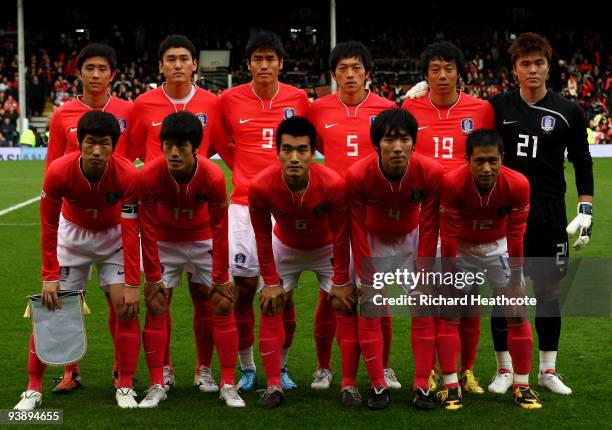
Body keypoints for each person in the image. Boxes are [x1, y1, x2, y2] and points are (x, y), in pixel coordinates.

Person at [488, 32, 593, 396]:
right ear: (514, 70)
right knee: (504, 293)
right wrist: (415, 95)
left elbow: (582, 160)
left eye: (538, 63)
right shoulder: (497, 107)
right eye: (525, 64)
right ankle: (504, 369)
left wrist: (586, 208)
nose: (532, 70)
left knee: (548, 292)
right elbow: (463, 119)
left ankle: (548, 370)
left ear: (548, 67)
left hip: (549, 213)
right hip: (505, 213)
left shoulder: (568, 111)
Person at [15, 111, 141, 410]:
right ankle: (33, 388)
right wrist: (50, 274)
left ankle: (124, 383)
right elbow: (48, 225)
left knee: (125, 306)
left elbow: (131, 228)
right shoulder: (59, 171)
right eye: (90, 143)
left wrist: (134, 283)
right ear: (79, 143)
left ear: (115, 145)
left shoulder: (128, 175)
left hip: (112, 238)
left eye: (105, 144)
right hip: (72, 238)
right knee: (54, 307)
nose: (97, 151)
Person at [215, 30, 309, 391]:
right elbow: (222, 142)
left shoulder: (299, 98)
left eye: (271, 59)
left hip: (286, 205)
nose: (264, 64)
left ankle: (281, 367)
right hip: (242, 206)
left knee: (283, 292)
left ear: (281, 63)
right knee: (243, 288)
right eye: (258, 59)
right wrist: (244, 172)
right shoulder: (230, 99)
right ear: (249, 64)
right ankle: (248, 368)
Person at [128, 34, 222, 391]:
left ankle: (203, 369)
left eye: (185, 58)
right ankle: (164, 369)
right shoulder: (143, 104)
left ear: (195, 64)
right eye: (171, 59)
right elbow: (138, 150)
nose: (178, 64)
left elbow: (216, 149)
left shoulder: (213, 103)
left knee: (205, 299)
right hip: (160, 225)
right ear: (161, 66)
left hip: (200, 223)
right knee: (159, 299)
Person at [402, 41, 495, 395]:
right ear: (425, 75)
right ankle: (427, 372)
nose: (442, 76)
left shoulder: (481, 109)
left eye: (449, 69)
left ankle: (465, 371)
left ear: (460, 72)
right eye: (435, 69)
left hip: (466, 219)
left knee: (467, 301)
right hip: (422, 219)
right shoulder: (410, 109)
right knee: (423, 300)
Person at [306, 40, 399, 391]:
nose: (349, 74)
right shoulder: (317, 110)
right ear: (333, 75)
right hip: (333, 217)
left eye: (356, 68)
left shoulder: (386, 108)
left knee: (378, 294)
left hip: (375, 218)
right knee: (330, 293)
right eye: (342, 69)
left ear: (368, 73)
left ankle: (385, 367)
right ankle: (323, 367)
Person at [137, 112, 244, 408]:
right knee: (157, 302)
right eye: (168, 145)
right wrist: (152, 277)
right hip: (165, 239)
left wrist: (222, 278)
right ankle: (158, 380)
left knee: (221, 302)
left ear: (196, 148)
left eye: (181, 146)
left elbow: (221, 228)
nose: (173, 153)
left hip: (203, 239)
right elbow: (145, 227)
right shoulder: (148, 176)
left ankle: (220, 379)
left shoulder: (212, 176)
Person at [249, 116, 352, 408]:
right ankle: (272, 384)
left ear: (313, 152)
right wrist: (269, 280)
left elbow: (343, 235)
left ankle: (343, 380)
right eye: (287, 149)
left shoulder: (332, 184)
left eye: (302, 150)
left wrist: (342, 280)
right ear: (277, 150)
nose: (294, 157)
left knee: (344, 305)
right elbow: (261, 236)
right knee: (271, 305)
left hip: (326, 247)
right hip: (286, 247)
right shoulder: (260, 186)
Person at [345, 108, 443, 410]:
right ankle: (377, 386)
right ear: (377, 144)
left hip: (412, 241)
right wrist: (365, 274)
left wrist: (425, 274)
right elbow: (356, 228)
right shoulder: (358, 175)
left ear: (414, 142)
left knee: (423, 309)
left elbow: (430, 226)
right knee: (371, 309)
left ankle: (421, 385)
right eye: (390, 140)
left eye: (404, 139)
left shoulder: (431, 172)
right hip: (372, 243)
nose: (398, 147)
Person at [439, 129, 541, 410]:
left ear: (502, 159)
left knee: (517, 313)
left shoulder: (518, 184)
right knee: (450, 314)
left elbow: (517, 235)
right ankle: (450, 386)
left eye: (493, 161)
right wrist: (448, 277)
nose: (486, 168)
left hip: (498, 247)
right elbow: (447, 237)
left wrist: (517, 281)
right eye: (479, 161)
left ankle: (522, 385)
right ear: (467, 160)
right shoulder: (452, 183)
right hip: (461, 247)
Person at [45, 43, 132, 172]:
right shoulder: (61, 114)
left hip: (118, 190)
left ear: (112, 75)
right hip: (75, 191)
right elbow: (52, 165)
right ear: (79, 73)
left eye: (102, 69)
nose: (95, 75)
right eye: (89, 68)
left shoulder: (130, 111)